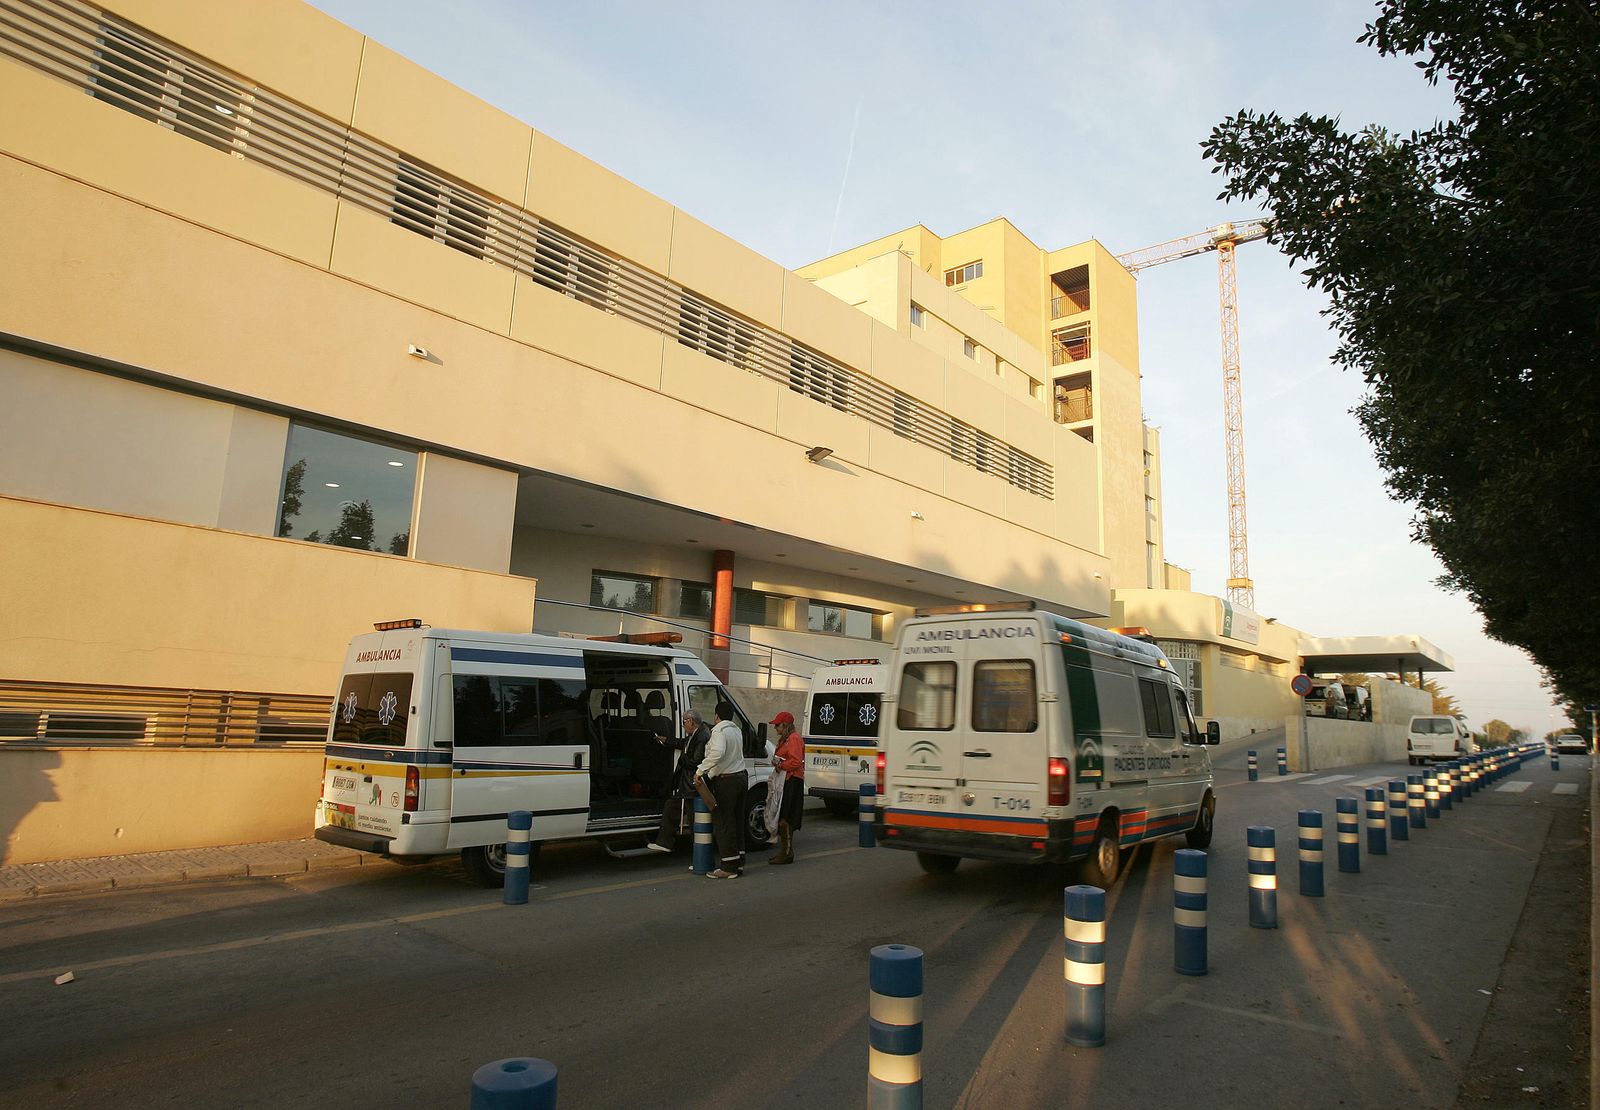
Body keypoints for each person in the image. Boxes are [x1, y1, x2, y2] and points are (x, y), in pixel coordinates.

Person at [647, 708, 710, 853]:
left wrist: (681, 758)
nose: (682, 725)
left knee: (695, 820)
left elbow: (695, 761)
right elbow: (684, 744)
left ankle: (699, 854)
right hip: (688, 784)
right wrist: (666, 740)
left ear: (691, 722)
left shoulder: (702, 736)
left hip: (693, 784)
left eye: (683, 722)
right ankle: (665, 842)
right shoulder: (694, 733)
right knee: (674, 808)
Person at [696, 700, 747, 878]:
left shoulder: (718, 730)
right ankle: (738, 862)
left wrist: (701, 770)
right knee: (736, 820)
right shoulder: (736, 729)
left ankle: (728, 868)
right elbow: (730, 757)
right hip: (741, 778)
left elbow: (718, 753)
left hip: (727, 782)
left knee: (724, 822)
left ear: (716, 716)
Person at [766, 710, 804, 865]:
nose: (776, 728)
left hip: (792, 780)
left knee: (786, 817)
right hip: (786, 780)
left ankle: (786, 852)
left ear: (785, 725)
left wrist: (781, 764)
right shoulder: (786, 739)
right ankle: (786, 851)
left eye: (778, 725)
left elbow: (796, 761)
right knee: (783, 816)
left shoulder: (794, 739)